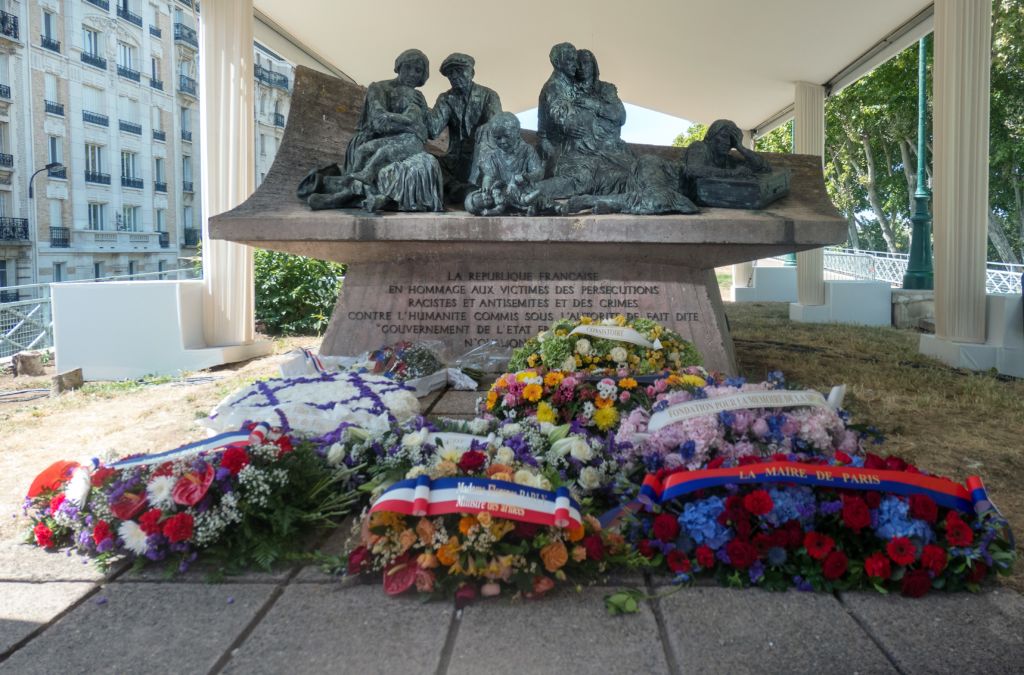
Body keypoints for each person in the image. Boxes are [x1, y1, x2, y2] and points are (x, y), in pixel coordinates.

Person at [304, 49, 443, 212]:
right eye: (408, 67)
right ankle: (349, 189)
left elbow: (428, 130)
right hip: (379, 137)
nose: (412, 74)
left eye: (418, 70)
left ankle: (346, 197)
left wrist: (422, 112)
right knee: (365, 151)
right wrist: (413, 126)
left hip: (408, 143)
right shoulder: (379, 88)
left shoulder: (418, 96)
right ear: (399, 66)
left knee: (414, 162)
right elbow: (379, 123)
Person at [429, 53, 502, 201]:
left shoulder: (489, 95)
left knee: (487, 131)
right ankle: (457, 189)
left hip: (481, 158)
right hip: (455, 160)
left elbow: (497, 127)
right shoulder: (445, 99)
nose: (454, 76)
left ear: (472, 73)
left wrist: (486, 128)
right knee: (428, 161)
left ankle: (472, 188)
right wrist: (419, 110)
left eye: (459, 70)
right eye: (450, 73)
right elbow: (433, 130)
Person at [464, 113, 551, 216]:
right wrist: (486, 186)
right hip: (502, 195)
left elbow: (539, 172)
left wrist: (526, 177)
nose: (503, 141)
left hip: (523, 190)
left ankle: (538, 206)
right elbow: (489, 176)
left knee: (538, 194)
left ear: (517, 133)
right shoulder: (493, 156)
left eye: (507, 136)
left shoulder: (527, 150)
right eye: (498, 138)